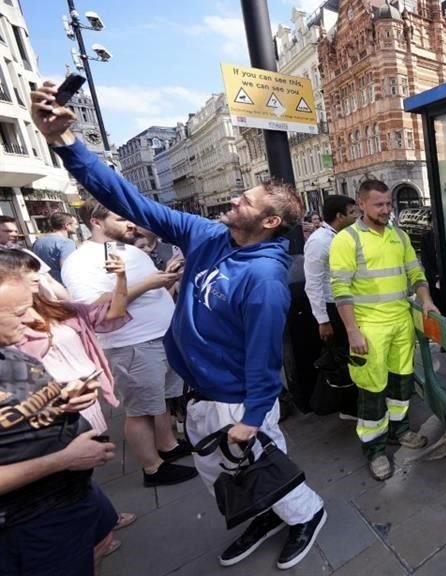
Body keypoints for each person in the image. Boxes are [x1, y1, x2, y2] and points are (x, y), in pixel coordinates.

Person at [32, 81, 328, 570]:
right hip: (198, 392)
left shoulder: (265, 278)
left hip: (235, 399)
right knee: (222, 475)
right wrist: (68, 144)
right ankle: (271, 514)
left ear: (271, 223)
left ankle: (306, 514)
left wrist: (253, 418)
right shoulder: (210, 235)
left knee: (260, 465)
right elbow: (132, 202)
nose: (234, 199)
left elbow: (263, 355)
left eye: (247, 200)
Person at [0, 249, 139, 557]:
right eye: (19, 312)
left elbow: (15, 411)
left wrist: (58, 400)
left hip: (65, 491)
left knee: (99, 538)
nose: (29, 319)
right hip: (28, 520)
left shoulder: (10, 352)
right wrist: (64, 459)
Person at [61, 199, 195, 489]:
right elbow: (94, 310)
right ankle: (152, 468)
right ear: (96, 222)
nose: (130, 223)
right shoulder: (79, 261)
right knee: (140, 410)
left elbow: (151, 290)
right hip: (132, 344)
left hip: (162, 337)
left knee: (158, 401)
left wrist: (167, 279)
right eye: (121, 218)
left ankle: (168, 446)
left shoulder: (129, 249)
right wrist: (146, 284)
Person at [329, 179, 438, 481]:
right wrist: (352, 330)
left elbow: (415, 272)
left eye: (388, 204)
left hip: (401, 323)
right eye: (378, 204)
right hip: (369, 329)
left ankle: (399, 430)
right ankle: (375, 450)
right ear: (360, 204)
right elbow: (341, 289)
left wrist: (426, 301)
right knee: (372, 392)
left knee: (401, 385)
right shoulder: (346, 240)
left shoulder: (398, 236)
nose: (386, 210)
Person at [304, 195, 359, 417]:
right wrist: (323, 320)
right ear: (340, 216)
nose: (356, 216)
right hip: (332, 308)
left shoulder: (341, 236)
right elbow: (313, 283)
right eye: (352, 212)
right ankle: (346, 406)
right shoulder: (320, 241)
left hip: (346, 305)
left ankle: (351, 403)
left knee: (351, 357)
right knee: (343, 359)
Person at [0, 215, 70, 301]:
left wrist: (71, 303)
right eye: (8, 231)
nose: (14, 234)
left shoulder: (25, 253)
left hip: (44, 305)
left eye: (15, 231)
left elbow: (49, 280)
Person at [30, 211, 78, 284]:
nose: (77, 227)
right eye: (75, 224)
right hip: (62, 286)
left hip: (44, 285)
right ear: (67, 225)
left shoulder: (38, 242)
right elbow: (68, 270)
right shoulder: (67, 243)